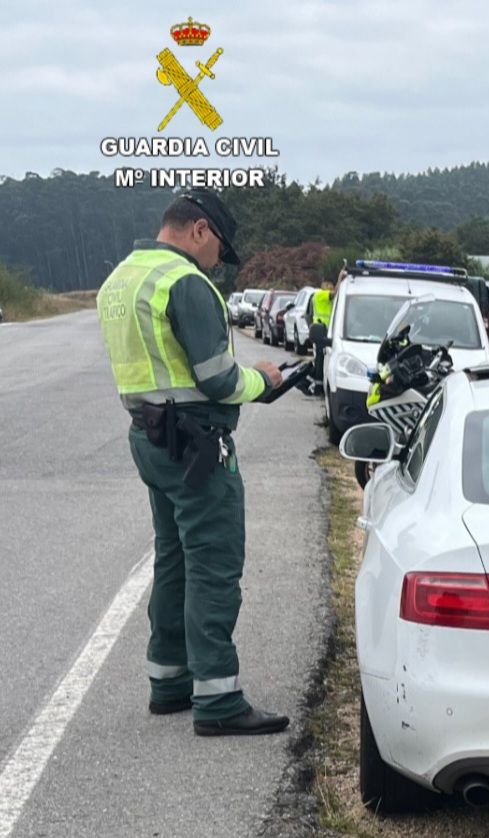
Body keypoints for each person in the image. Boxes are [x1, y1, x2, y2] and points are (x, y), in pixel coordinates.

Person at [96, 189, 290, 736]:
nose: (218, 264)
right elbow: (219, 379)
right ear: (200, 230)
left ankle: (169, 682)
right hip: (198, 444)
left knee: (174, 558)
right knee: (213, 564)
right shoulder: (184, 281)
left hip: (150, 437)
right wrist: (267, 380)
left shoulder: (120, 280)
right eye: (219, 250)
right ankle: (219, 700)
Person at [308, 272, 339, 395]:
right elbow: (334, 294)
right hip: (320, 332)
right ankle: (317, 386)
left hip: (327, 333)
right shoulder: (320, 294)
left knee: (322, 360)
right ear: (325, 284)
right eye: (330, 285)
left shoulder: (325, 296)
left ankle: (318, 384)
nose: (331, 288)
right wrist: (341, 277)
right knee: (320, 360)